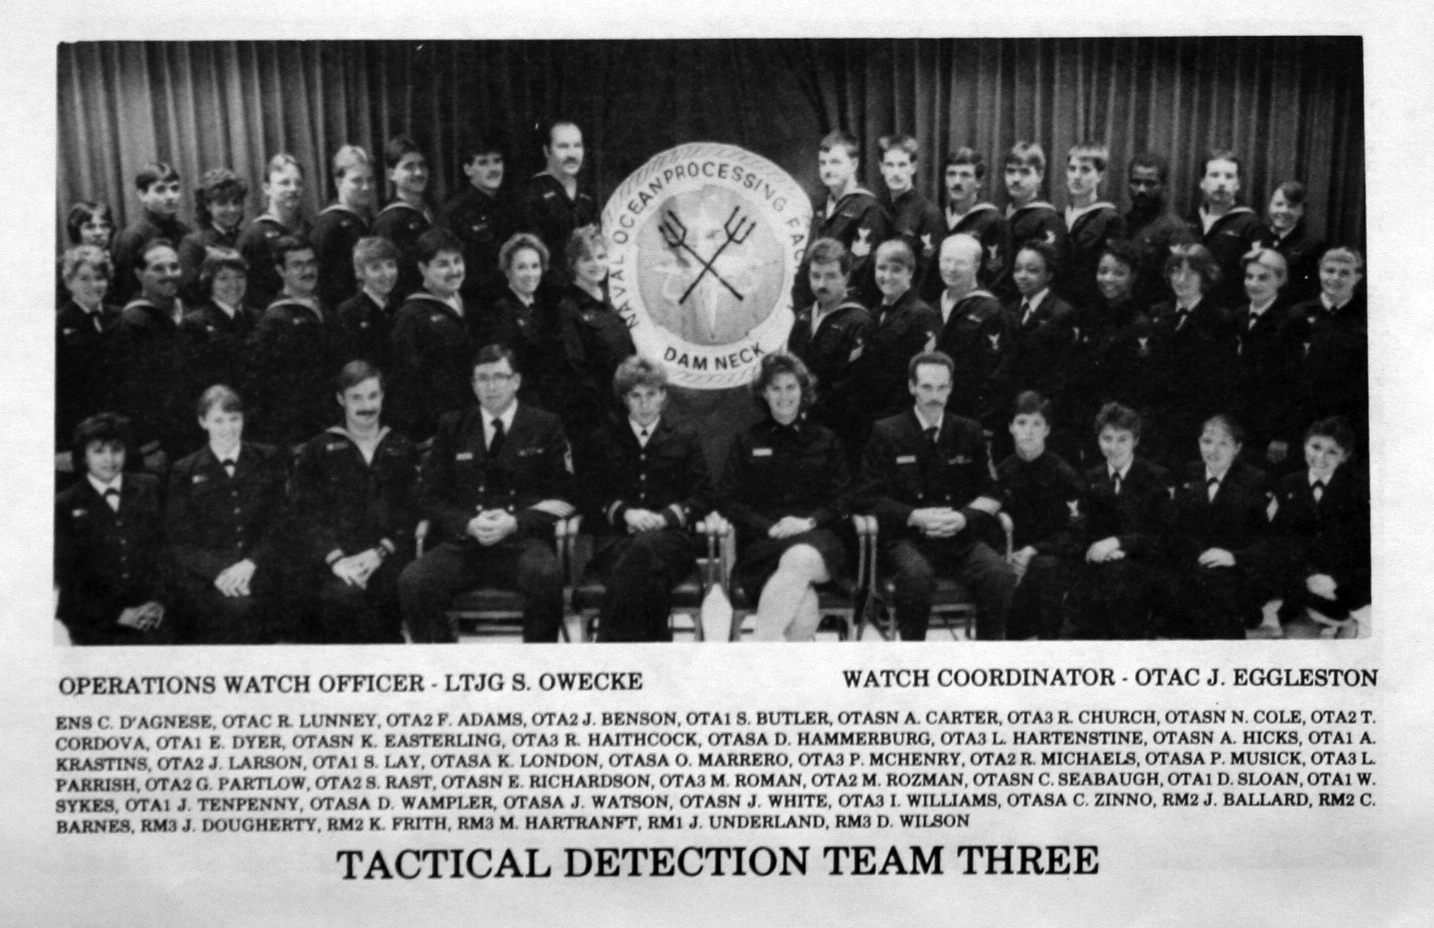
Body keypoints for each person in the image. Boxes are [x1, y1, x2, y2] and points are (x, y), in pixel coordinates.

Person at [399, 345, 573, 644]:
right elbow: (429, 496)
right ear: (473, 384)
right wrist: (467, 524)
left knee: (547, 577)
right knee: (414, 581)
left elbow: (566, 496)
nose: (491, 386)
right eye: (482, 378)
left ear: (516, 381)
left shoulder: (545, 425)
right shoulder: (453, 426)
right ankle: (443, 667)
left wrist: (516, 522)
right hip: (465, 544)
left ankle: (537, 667)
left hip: (523, 543)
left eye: (499, 377)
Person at [858, 351, 1015, 640]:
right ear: (912, 387)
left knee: (1000, 575)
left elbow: (992, 491)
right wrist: (914, 516)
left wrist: (964, 518)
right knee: (916, 579)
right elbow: (869, 497)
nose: (935, 396)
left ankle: (988, 659)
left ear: (951, 388)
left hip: (959, 538)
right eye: (927, 387)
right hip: (907, 539)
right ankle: (916, 660)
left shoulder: (969, 430)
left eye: (942, 388)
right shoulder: (887, 431)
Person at [719, 353, 851, 642]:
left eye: (791, 387)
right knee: (803, 614)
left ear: (803, 390)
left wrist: (807, 522)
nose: (784, 396)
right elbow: (728, 500)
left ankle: (758, 651)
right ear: (764, 393)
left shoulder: (826, 439)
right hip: (764, 544)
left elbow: (842, 501)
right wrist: (768, 527)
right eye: (775, 388)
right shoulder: (747, 440)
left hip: (817, 541)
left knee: (799, 558)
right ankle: (779, 668)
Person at [579, 356, 712, 642]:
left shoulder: (685, 437)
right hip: (616, 541)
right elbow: (590, 496)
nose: (644, 404)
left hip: (672, 543)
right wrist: (625, 513)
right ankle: (656, 657)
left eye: (651, 394)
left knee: (640, 555)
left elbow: (703, 496)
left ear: (663, 395)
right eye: (635, 396)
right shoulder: (604, 438)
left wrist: (664, 518)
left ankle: (608, 653)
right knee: (648, 575)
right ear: (625, 399)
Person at [290, 361, 421, 644]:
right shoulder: (318, 450)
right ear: (341, 399)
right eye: (357, 398)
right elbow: (305, 515)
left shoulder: (401, 447)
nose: (367, 406)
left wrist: (380, 552)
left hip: (388, 558)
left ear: (383, 396)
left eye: (373, 396)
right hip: (336, 562)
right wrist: (336, 560)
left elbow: (411, 511)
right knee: (343, 602)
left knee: (392, 600)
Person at [165, 386, 288, 644]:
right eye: (218, 420)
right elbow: (181, 540)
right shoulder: (184, 470)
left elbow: (280, 521)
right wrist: (219, 573)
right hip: (213, 578)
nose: (228, 428)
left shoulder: (268, 458)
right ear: (203, 422)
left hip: (263, 567)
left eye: (234, 419)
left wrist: (251, 563)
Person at [54, 413, 168, 645]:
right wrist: (118, 614)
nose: (109, 459)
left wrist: (159, 603)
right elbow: (68, 578)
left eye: (116, 450)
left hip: (153, 614)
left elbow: (167, 554)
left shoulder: (150, 487)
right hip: (95, 621)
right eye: (98, 451)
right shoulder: (64, 504)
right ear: (84, 456)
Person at [1067, 402, 1174, 639]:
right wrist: (1098, 550)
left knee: (1121, 589)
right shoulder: (1091, 477)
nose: (1113, 447)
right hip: (1099, 563)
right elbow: (1083, 529)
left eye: (1122, 439)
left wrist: (1118, 543)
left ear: (1135, 440)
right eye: (1107, 438)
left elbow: (1159, 535)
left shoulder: (1156, 477)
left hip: (1141, 566)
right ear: (1098, 439)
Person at [1163, 414, 1271, 639]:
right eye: (1207, 441)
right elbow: (1176, 528)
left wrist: (1234, 557)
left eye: (1223, 443)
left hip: (1234, 568)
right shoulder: (1189, 472)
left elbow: (1265, 540)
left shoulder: (1255, 480)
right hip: (1194, 566)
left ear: (1237, 448)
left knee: (1211, 610)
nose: (1213, 450)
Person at [1269, 417, 1369, 639]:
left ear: (1344, 456)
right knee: (1299, 644)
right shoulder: (1288, 485)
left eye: (1332, 452)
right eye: (1315, 447)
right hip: (1300, 588)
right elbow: (1278, 541)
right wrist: (1306, 578)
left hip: (1341, 589)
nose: (1321, 457)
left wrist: (1336, 580)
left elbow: (1363, 549)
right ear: (1305, 445)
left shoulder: (1357, 491)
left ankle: (1346, 623)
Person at [996, 392, 1085, 639]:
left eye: (1037, 424)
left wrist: (1033, 550)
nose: (1029, 431)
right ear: (1011, 427)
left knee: (1046, 569)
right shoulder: (1001, 473)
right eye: (1022, 422)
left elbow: (1076, 532)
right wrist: (1010, 555)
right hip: (1013, 557)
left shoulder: (1065, 475)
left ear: (1047, 430)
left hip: (1053, 557)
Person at [1143, 243, 1235, 470]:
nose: (1181, 279)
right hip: (1158, 422)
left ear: (1205, 277)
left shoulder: (1220, 320)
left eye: (1191, 272)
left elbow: (1223, 380)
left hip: (1196, 423)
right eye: (1175, 271)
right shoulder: (1158, 313)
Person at [786, 237, 875, 465]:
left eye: (831, 276)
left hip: (840, 434)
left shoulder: (859, 323)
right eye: (815, 276)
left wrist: (808, 410)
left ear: (846, 277)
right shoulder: (804, 318)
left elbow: (850, 390)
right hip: (801, 426)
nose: (821, 284)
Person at [387, 227, 477, 444]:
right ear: (423, 268)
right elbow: (407, 384)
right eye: (443, 264)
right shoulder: (411, 317)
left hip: (471, 420)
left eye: (457, 261)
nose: (454, 270)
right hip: (438, 432)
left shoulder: (467, 303)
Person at [107, 239, 190, 470]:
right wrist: (148, 446)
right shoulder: (132, 324)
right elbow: (129, 394)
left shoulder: (188, 313)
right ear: (139, 274)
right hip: (158, 442)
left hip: (193, 432)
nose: (169, 274)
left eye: (174, 266)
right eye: (158, 268)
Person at [243, 236, 332, 448]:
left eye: (311, 263)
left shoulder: (325, 310)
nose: (307, 271)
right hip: (296, 434)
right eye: (297, 265)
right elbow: (264, 387)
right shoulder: (274, 321)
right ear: (281, 271)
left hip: (328, 423)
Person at [556, 227, 636, 443]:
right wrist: (607, 414)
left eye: (601, 256)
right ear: (573, 264)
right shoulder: (568, 309)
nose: (597, 264)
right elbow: (577, 370)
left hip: (625, 407)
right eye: (587, 259)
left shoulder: (608, 298)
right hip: (598, 419)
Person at [932, 233, 1014, 439]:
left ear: (977, 265)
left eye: (960, 262)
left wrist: (985, 426)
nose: (951, 268)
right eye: (946, 260)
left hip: (970, 420)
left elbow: (997, 374)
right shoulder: (931, 307)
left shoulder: (991, 311)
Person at [1284, 246, 1368, 445]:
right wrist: (1281, 431)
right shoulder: (1298, 315)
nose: (1335, 278)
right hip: (1302, 421)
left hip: (1350, 423)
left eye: (1344, 273)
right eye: (1329, 271)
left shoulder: (1367, 317)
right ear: (1319, 272)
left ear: (1357, 277)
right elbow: (1281, 375)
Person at [797, 130, 890, 308]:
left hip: (847, 308)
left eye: (835, 162)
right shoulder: (821, 208)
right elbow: (807, 263)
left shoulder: (868, 208)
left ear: (854, 164)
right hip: (815, 305)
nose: (828, 169)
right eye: (823, 163)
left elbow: (861, 272)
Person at [1006, 240, 1079, 462]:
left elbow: (1063, 373)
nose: (1022, 276)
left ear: (1049, 274)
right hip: (1015, 410)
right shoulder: (1009, 310)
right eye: (1018, 269)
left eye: (1032, 270)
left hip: (1046, 415)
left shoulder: (1062, 313)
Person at [480, 233, 570, 412]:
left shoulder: (545, 307)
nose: (530, 274)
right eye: (521, 267)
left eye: (535, 266)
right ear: (508, 271)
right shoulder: (499, 313)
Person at [1230, 248, 1301, 469]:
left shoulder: (1290, 322)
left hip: (1268, 429)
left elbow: (1293, 383)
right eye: (1249, 276)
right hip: (1236, 421)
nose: (1254, 283)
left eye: (1263, 278)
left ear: (1279, 280)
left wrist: (1282, 435)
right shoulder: (1237, 316)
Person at [860, 239, 940, 424]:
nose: (887, 276)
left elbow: (922, 375)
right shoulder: (876, 312)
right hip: (873, 414)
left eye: (896, 270)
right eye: (881, 268)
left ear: (910, 272)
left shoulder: (921, 315)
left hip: (901, 417)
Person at [441, 133, 521, 309]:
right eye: (483, 163)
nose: (493, 169)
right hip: (476, 305)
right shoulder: (455, 211)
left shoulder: (511, 205)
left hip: (512, 301)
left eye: (497, 161)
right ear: (468, 169)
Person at [56, 245, 118, 471]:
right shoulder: (58, 323)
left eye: (99, 278)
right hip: (77, 431)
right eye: (84, 278)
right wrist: (60, 446)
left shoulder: (119, 316)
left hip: (116, 425)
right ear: (68, 281)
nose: (93, 285)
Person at [522, 120, 598, 288]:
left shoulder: (587, 193)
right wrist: (571, 238)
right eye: (563, 146)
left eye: (577, 146)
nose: (572, 154)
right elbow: (528, 252)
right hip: (549, 289)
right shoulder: (532, 193)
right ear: (546, 151)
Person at [178, 247, 256, 410]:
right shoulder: (194, 324)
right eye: (223, 278)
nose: (234, 284)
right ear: (209, 282)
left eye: (240, 276)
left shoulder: (259, 318)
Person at [930, 147, 1012, 301]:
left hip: (976, 307)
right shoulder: (938, 218)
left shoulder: (993, 222)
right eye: (951, 174)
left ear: (979, 182)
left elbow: (997, 282)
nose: (957, 182)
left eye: (965, 175)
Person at [1189, 149, 1262, 309]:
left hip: (1230, 311)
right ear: (1202, 182)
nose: (1221, 182)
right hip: (1192, 307)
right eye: (1214, 175)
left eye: (1229, 176)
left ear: (1238, 184)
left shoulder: (1250, 224)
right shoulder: (1191, 219)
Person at [236, 153, 310, 310]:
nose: (293, 189)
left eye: (298, 183)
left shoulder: (310, 231)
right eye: (285, 183)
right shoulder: (253, 236)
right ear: (267, 188)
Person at [1122, 152, 1195, 309]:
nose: (1141, 190)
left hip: (1155, 313)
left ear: (1163, 185)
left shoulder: (1175, 229)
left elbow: (1183, 282)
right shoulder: (1121, 222)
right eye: (1136, 182)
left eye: (1150, 183)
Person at [111, 162, 192, 305]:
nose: (170, 196)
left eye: (174, 188)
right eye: (160, 190)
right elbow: (125, 290)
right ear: (142, 194)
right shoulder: (132, 237)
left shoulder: (185, 232)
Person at [1059, 142, 1126, 309]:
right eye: (1072, 168)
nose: (1076, 176)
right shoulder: (1058, 217)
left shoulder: (1110, 219)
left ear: (1100, 175)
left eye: (1085, 170)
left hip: (1092, 306)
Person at [877, 134, 944, 297]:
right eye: (890, 165)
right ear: (881, 167)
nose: (896, 172)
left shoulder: (928, 214)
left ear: (913, 167)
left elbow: (927, 275)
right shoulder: (877, 208)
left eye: (902, 165)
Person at [310, 144, 375, 310]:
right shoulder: (327, 225)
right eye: (357, 180)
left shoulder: (372, 220)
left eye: (370, 180)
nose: (366, 187)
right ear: (338, 181)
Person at [1001, 141, 1068, 302]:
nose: (1016, 179)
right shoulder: (1001, 214)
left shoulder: (1048, 220)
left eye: (1025, 172)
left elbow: (1051, 276)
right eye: (1010, 171)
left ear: (1040, 175)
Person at [372, 134, 433, 303]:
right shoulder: (388, 222)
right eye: (409, 167)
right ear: (392, 174)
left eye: (422, 165)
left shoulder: (432, 211)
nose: (419, 172)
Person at [177, 168, 248, 305]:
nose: (232, 209)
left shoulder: (248, 238)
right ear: (208, 205)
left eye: (236, 202)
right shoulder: (193, 244)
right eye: (223, 203)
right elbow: (188, 292)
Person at [333, 236, 400, 370]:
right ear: (359, 272)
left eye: (390, 265)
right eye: (376, 268)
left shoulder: (401, 306)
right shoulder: (348, 313)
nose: (386, 274)